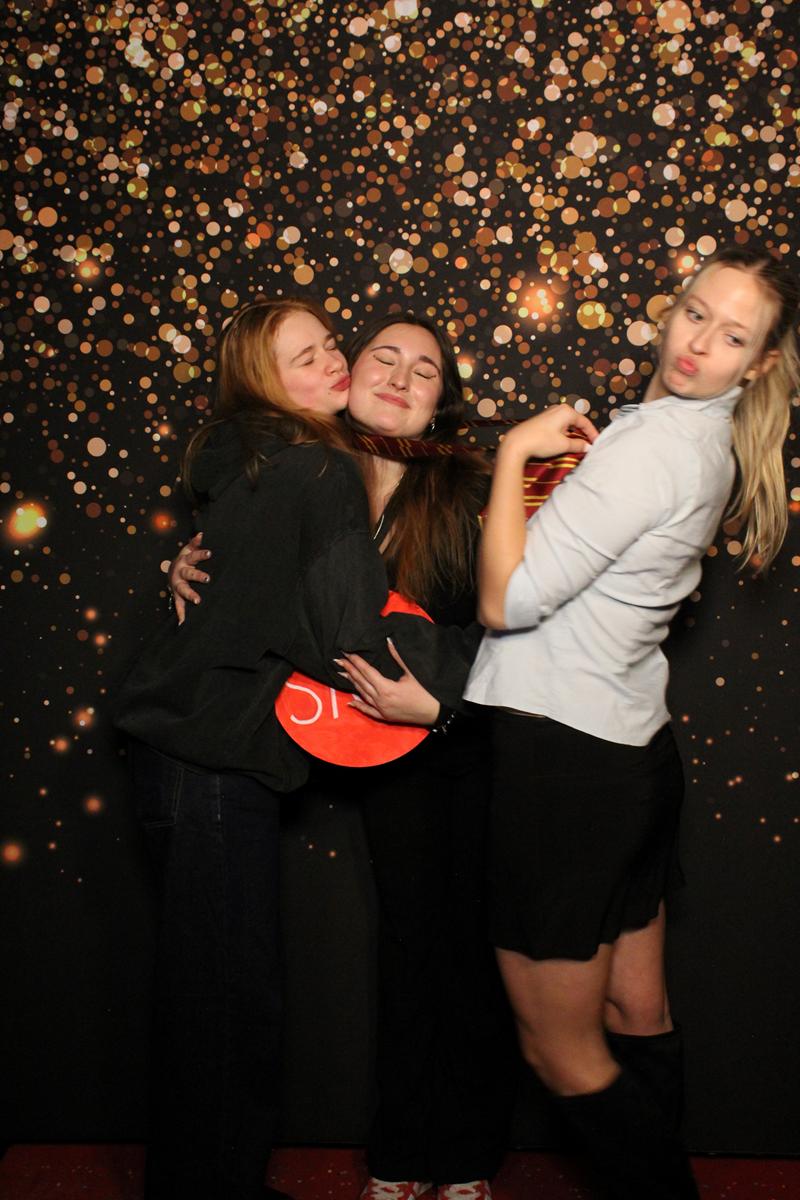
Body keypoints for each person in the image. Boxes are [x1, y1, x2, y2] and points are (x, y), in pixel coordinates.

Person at [172, 313, 585, 1200]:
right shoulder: (297, 470)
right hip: (359, 748)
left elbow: (524, 625)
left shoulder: (469, 490)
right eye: (382, 359)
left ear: (442, 402)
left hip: (459, 742)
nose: (399, 378)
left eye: (423, 370)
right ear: (345, 377)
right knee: (403, 948)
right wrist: (190, 568)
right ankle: (400, 1155)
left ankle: (464, 1158)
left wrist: (441, 707)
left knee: (465, 950)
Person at [463, 246, 799, 1199]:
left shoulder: (653, 448)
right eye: (695, 313)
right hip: (629, 760)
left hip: (564, 768)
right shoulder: (694, 438)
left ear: (760, 364)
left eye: (732, 336)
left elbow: (504, 602)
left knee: (560, 1050)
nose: (699, 343)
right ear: (673, 308)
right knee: (634, 1012)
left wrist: (513, 455)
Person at [115, 298, 453, 1200]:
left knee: (209, 997)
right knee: (230, 1001)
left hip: (180, 753)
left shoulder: (248, 465)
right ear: (264, 384)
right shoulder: (321, 470)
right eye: (305, 359)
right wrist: (450, 671)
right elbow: (345, 636)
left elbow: (257, 599)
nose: (333, 363)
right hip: (212, 760)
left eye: (330, 344)